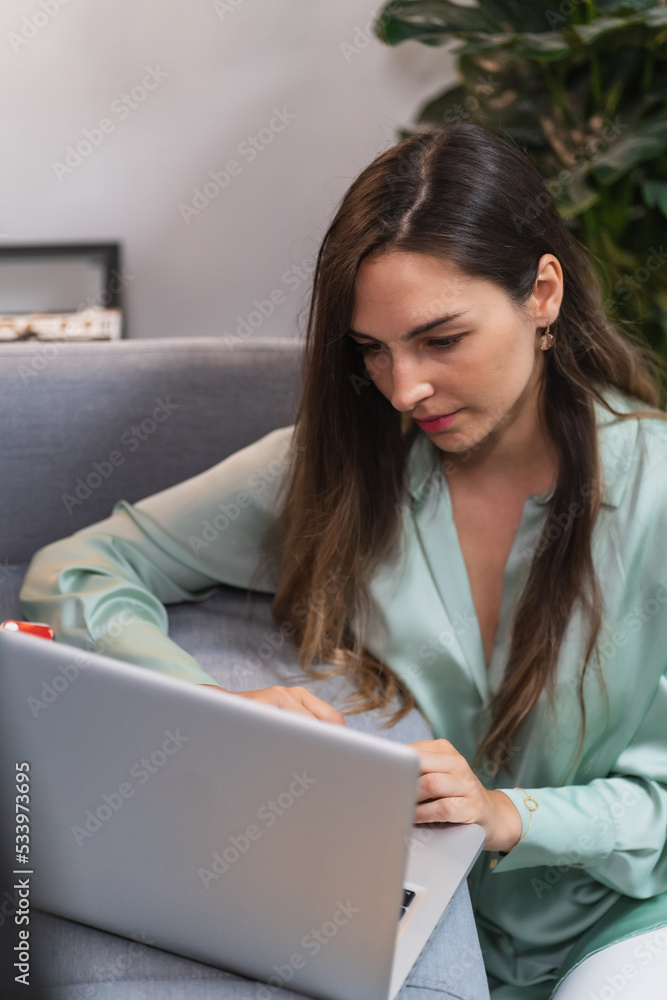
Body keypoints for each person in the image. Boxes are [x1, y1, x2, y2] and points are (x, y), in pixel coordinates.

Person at [20, 122, 667, 999]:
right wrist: (211, 708)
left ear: (541, 294)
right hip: (442, 930)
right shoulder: (339, 471)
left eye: (441, 339)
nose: (403, 389)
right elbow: (82, 570)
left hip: (629, 916)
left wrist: (508, 813)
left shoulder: (652, 489)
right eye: (372, 349)